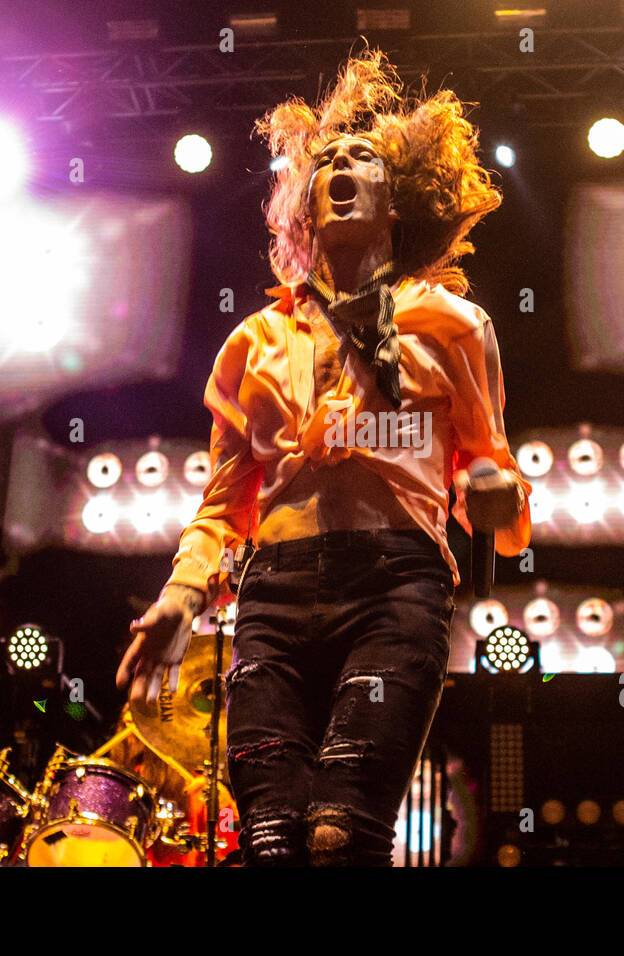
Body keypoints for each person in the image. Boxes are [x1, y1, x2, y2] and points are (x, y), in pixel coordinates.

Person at [116, 48, 531, 866]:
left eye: (362, 158)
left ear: (397, 202)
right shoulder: (253, 344)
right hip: (272, 595)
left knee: (341, 832)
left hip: (395, 587)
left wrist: (494, 496)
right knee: (270, 840)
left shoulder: (452, 326)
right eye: (327, 162)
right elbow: (224, 503)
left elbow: (505, 507)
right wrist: (178, 597)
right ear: (304, 204)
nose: (341, 166)